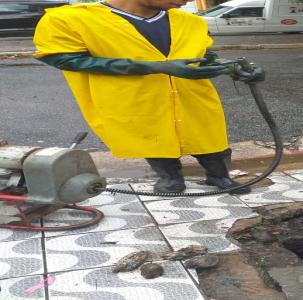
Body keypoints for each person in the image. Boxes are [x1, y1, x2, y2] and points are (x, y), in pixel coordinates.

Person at [33, 0, 264, 194]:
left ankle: (219, 176)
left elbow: (204, 55)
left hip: (192, 94)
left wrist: (235, 68)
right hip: (136, 96)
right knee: (152, 137)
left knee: (209, 134)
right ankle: (170, 179)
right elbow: (62, 58)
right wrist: (155, 67)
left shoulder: (190, 21)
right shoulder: (72, 19)